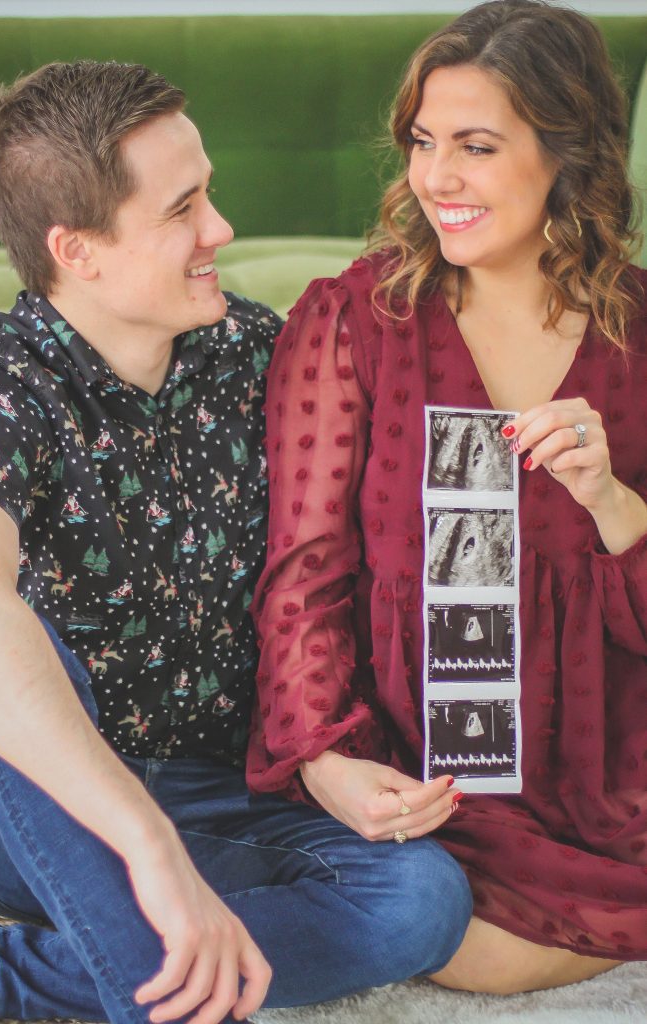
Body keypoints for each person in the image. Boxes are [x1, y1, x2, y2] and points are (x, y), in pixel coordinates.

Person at [0, 60, 474, 1024]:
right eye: (183, 208)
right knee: (4, 637)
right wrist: (145, 845)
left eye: (210, 193)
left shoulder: (260, 353)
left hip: (210, 782)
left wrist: (319, 755)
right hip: (10, 798)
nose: (221, 230)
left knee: (421, 903)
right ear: (79, 249)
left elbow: (331, 568)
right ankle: (141, 911)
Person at [249, 0, 647, 997]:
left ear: (567, 152)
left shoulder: (637, 333)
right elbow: (303, 579)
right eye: (424, 143)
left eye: (475, 145)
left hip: (616, 759)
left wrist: (610, 500)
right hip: (443, 771)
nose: (436, 178)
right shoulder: (353, 320)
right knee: (466, 943)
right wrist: (324, 759)